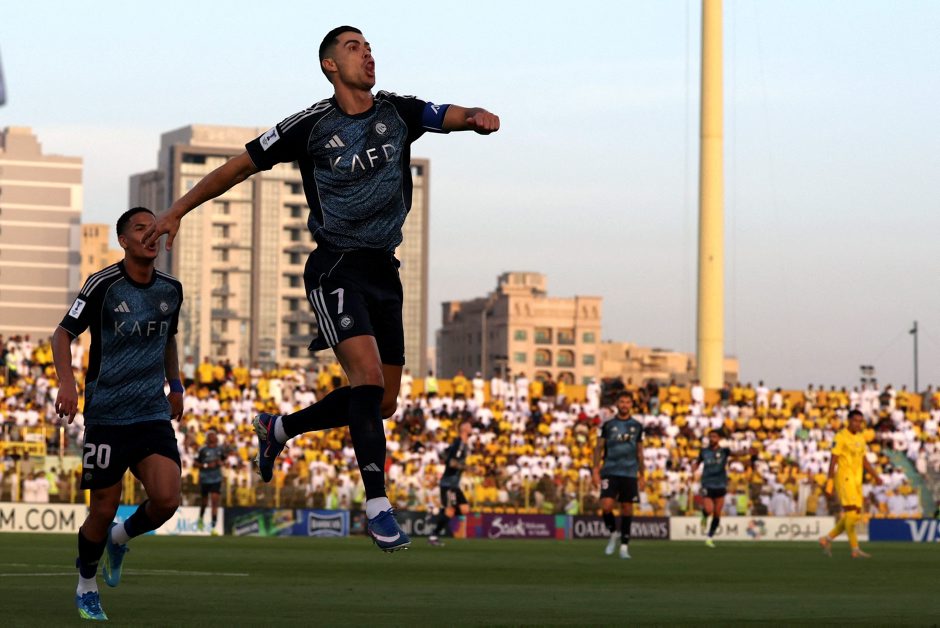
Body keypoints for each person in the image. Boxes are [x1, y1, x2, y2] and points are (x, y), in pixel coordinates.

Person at [142, 25, 498, 553]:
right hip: (336, 266)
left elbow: (446, 113)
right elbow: (238, 167)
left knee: (382, 403)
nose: (367, 55)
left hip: (385, 271)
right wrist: (177, 209)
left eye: (370, 47)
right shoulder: (310, 126)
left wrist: (475, 117)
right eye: (354, 48)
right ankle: (377, 507)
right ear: (330, 65)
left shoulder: (398, 112)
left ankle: (280, 429)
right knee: (367, 379)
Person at [54, 207, 184, 621]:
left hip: (150, 412)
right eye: (140, 229)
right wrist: (67, 384)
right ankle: (86, 585)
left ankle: (120, 538)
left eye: (154, 227)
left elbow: (168, 339)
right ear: (124, 241)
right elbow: (62, 334)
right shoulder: (103, 284)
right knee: (103, 508)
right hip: (107, 415)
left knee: (167, 499)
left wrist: (176, 385)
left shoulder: (171, 289)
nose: (150, 234)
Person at [819, 409, 883, 558]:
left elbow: (864, 460)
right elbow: (833, 460)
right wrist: (829, 481)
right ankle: (855, 549)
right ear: (849, 421)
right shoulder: (840, 437)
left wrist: (876, 476)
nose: (858, 424)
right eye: (855, 421)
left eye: (860, 421)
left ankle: (826, 539)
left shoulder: (861, 438)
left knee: (854, 515)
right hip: (844, 478)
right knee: (851, 515)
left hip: (857, 480)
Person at [592, 392, 644, 559]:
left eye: (627, 402)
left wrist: (642, 474)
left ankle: (624, 547)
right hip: (610, 470)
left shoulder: (637, 426)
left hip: (629, 472)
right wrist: (595, 470)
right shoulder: (608, 425)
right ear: (617, 404)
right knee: (606, 506)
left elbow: (640, 452)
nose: (624, 405)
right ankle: (613, 533)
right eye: (622, 402)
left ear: (631, 405)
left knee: (627, 508)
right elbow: (599, 448)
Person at [690, 430, 750, 548]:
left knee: (717, 513)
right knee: (709, 509)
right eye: (710, 436)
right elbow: (697, 462)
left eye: (714, 436)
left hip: (721, 484)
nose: (711, 439)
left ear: (719, 439)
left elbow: (736, 454)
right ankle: (704, 516)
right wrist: (693, 469)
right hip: (707, 483)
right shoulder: (704, 451)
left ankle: (709, 537)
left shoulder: (724, 451)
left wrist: (747, 452)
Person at [428, 420, 472, 547]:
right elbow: (452, 463)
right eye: (469, 426)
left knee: (464, 509)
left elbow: (444, 454)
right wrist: (468, 468)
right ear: (464, 429)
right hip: (448, 484)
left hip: (454, 484)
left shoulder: (460, 444)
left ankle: (441, 512)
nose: (471, 428)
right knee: (451, 511)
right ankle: (433, 535)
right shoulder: (460, 444)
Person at [196, 430, 226, 534]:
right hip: (205, 479)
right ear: (208, 438)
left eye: (214, 436)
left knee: (214, 502)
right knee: (204, 502)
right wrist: (206, 465)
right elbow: (195, 463)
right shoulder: (202, 450)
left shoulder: (220, 449)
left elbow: (224, 460)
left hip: (216, 479)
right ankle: (200, 518)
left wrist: (220, 463)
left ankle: (213, 526)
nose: (214, 437)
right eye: (211, 436)